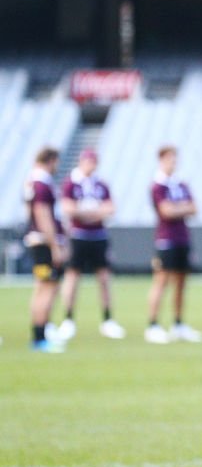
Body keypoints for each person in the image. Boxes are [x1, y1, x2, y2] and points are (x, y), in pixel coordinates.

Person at [56, 148, 126, 341]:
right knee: (72, 277)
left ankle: (108, 319)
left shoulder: (101, 185)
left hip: (99, 236)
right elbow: (68, 209)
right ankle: (68, 319)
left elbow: (110, 208)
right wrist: (95, 212)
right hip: (78, 236)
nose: (90, 165)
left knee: (104, 279)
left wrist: (86, 212)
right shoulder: (71, 184)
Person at [145, 146, 202, 344]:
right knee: (161, 281)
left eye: (175, 159)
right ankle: (152, 324)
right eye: (170, 159)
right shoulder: (158, 186)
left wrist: (178, 208)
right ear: (161, 160)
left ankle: (178, 324)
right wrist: (182, 208)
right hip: (165, 239)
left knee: (181, 283)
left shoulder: (180, 184)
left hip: (182, 238)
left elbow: (194, 208)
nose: (173, 163)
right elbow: (166, 212)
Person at [24, 147, 67, 353]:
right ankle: (40, 337)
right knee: (47, 288)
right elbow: (42, 215)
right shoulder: (41, 184)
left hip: (38, 241)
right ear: (51, 160)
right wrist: (55, 245)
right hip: (43, 243)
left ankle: (41, 333)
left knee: (43, 287)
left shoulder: (32, 182)